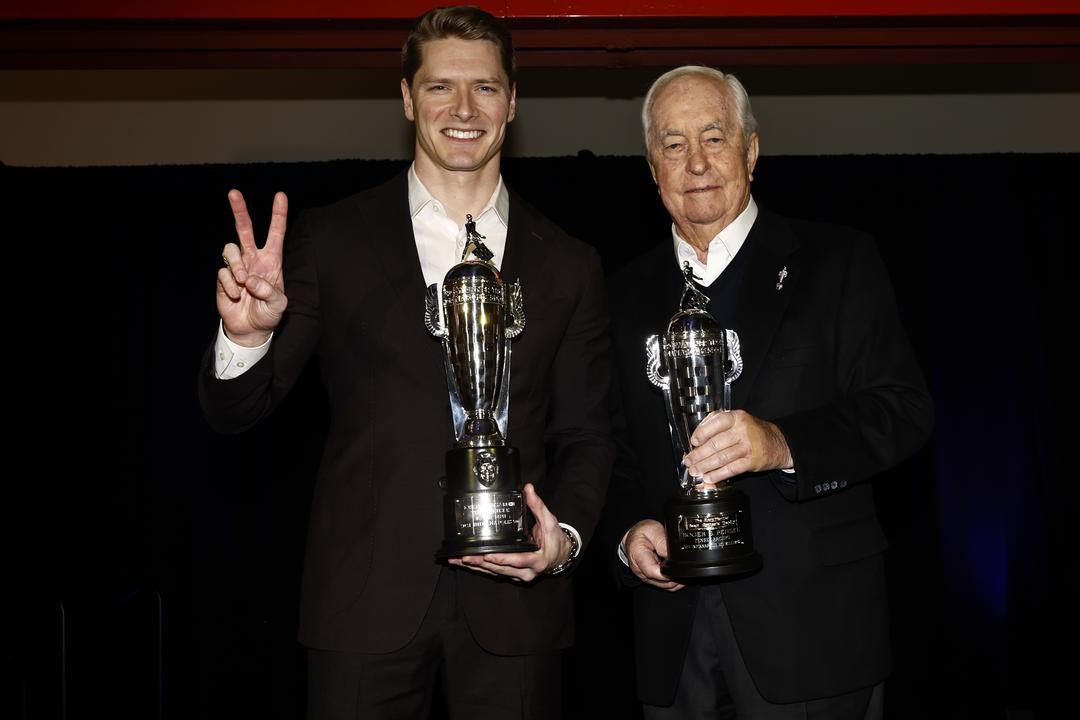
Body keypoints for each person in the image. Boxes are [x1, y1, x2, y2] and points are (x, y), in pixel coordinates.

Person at [198, 6, 614, 719]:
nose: (463, 109)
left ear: (513, 102)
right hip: (362, 600)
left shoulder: (570, 263)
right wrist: (245, 338)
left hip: (518, 605)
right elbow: (236, 410)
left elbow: (590, 434)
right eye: (440, 87)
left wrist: (564, 540)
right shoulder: (332, 241)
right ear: (405, 98)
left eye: (485, 88)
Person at [606, 66, 934, 719]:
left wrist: (780, 442)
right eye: (673, 145)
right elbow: (611, 448)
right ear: (652, 167)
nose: (695, 162)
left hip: (815, 633)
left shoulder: (837, 261)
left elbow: (903, 411)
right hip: (673, 639)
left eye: (714, 138)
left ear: (750, 151)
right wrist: (629, 531)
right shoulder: (619, 294)